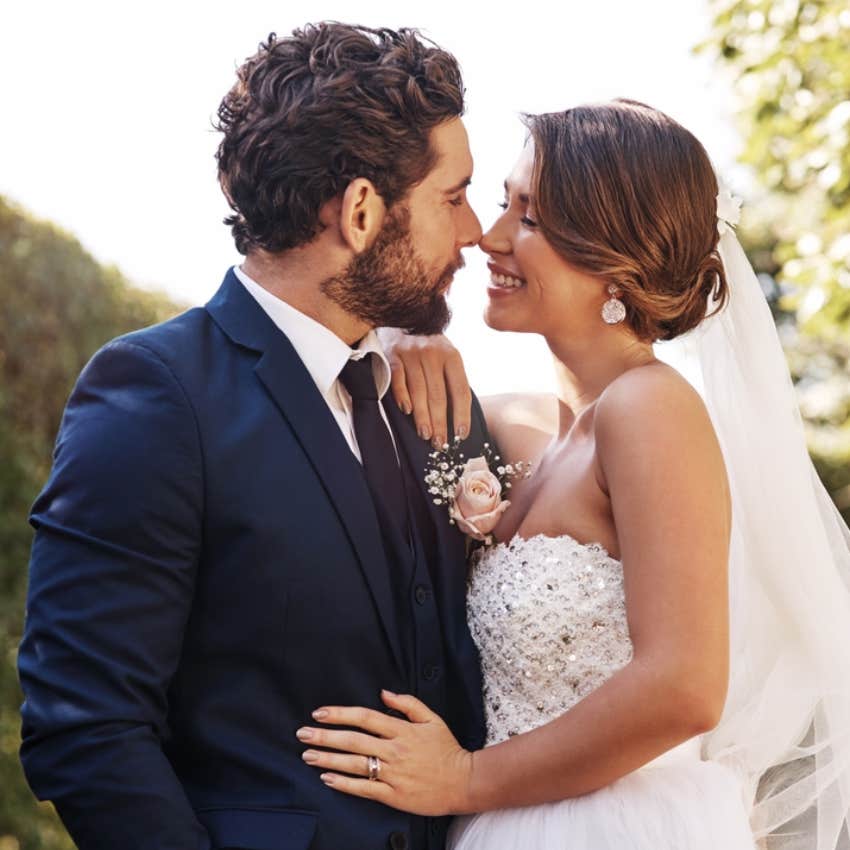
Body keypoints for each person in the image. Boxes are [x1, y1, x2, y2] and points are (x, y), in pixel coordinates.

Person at [296, 100, 850, 849]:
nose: (490, 239)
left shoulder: (652, 410)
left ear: (611, 261)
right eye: (502, 205)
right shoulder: (524, 426)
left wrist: (465, 780)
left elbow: (684, 688)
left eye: (530, 219)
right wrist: (406, 337)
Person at [17, 23, 491, 850]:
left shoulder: (429, 393)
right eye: (453, 198)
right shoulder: (159, 394)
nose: (477, 230)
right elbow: (85, 725)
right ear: (361, 211)